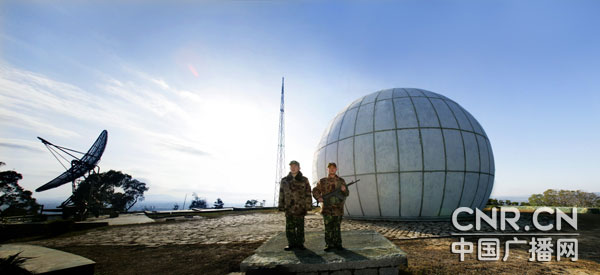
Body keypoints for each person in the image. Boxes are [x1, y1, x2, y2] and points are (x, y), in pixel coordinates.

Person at [312, 162, 349, 251]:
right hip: (327, 209)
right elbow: (315, 190)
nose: (332, 169)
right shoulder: (322, 181)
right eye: (330, 168)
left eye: (334, 168)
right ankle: (329, 245)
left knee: (337, 228)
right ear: (327, 169)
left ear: (336, 169)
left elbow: (347, 193)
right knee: (328, 228)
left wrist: (344, 190)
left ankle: (338, 244)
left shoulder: (341, 181)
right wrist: (319, 197)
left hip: (338, 209)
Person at [278, 160, 312, 251]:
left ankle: (300, 244)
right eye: (291, 166)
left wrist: (308, 206)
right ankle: (291, 244)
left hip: (300, 208)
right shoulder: (284, 180)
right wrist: (281, 206)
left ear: (299, 167)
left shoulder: (304, 180)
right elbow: (281, 193)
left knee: (300, 227)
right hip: (289, 208)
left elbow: (308, 193)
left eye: (295, 166)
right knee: (289, 227)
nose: (293, 168)